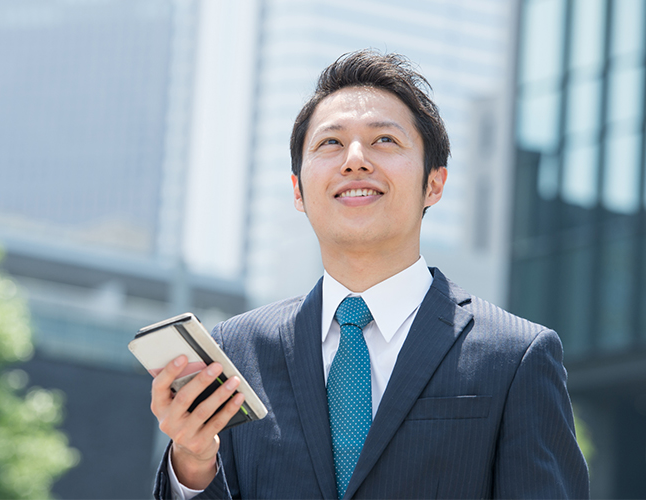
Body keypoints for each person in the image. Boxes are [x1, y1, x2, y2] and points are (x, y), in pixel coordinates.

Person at [149, 49, 590, 499]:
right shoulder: (236, 354)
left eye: (385, 141)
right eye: (330, 143)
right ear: (299, 190)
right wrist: (194, 463)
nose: (355, 160)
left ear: (434, 184)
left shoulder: (514, 357)